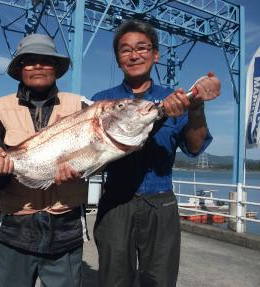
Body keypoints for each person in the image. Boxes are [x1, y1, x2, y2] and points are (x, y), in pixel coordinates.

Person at [91, 19, 220, 287]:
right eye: (125, 50)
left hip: (161, 203)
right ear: (117, 59)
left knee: (160, 281)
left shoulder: (175, 99)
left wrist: (195, 109)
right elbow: (92, 156)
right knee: (113, 279)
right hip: (116, 202)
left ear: (156, 54)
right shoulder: (101, 102)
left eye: (142, 47)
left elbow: (195, 147)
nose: (134, 55)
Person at [0, 34, 91, 287]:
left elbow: (103, 156)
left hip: (66, 233)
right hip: (14, 233)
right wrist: (1, 171)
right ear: (19, 69)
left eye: (46, 61)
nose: (38, 66)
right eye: (29, 61)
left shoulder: (83, 106)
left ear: (56, 69)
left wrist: (81, 170)